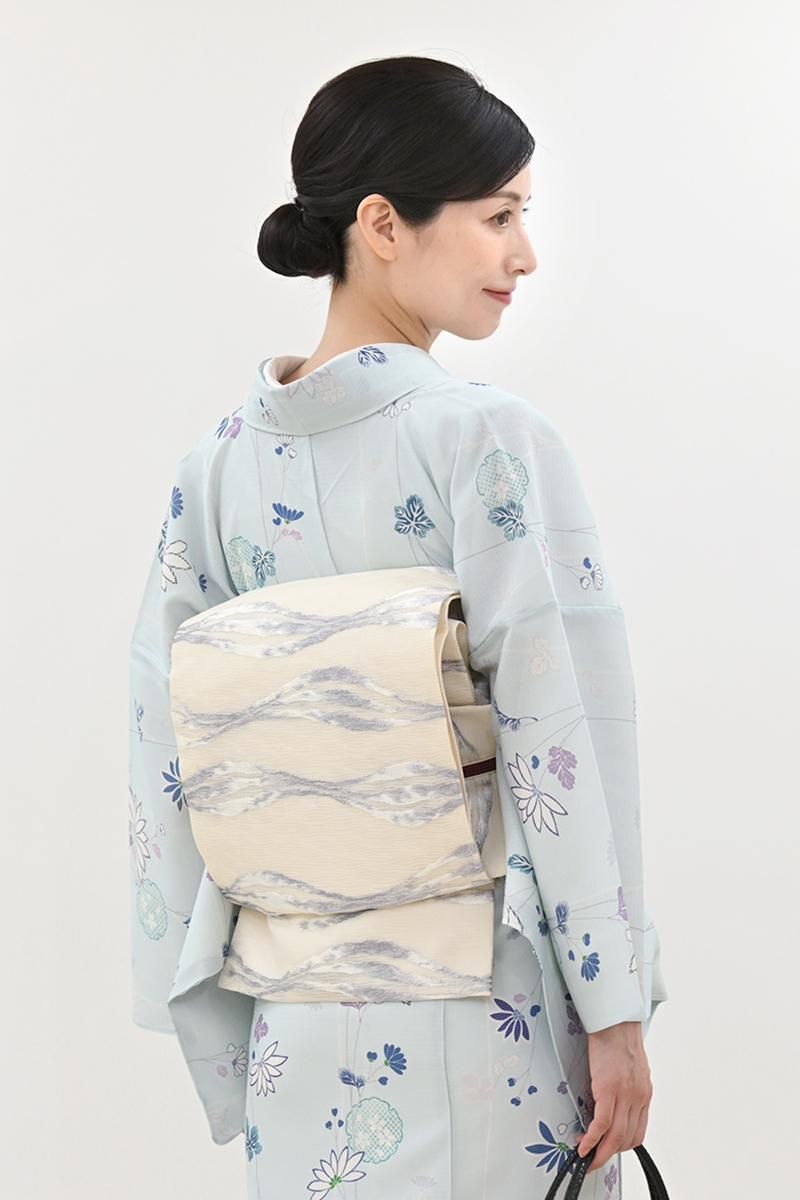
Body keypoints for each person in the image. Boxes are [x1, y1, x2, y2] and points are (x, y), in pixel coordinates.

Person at [128, 55, 667, 1200]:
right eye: (498, 216)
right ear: (381, 224)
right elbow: (561, 732)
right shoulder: (484, 438)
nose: (524, 254)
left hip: (291, 1012)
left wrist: (208, 1001)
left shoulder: (215, 468)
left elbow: (162, 745)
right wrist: (611, 1001)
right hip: (484, 1003)